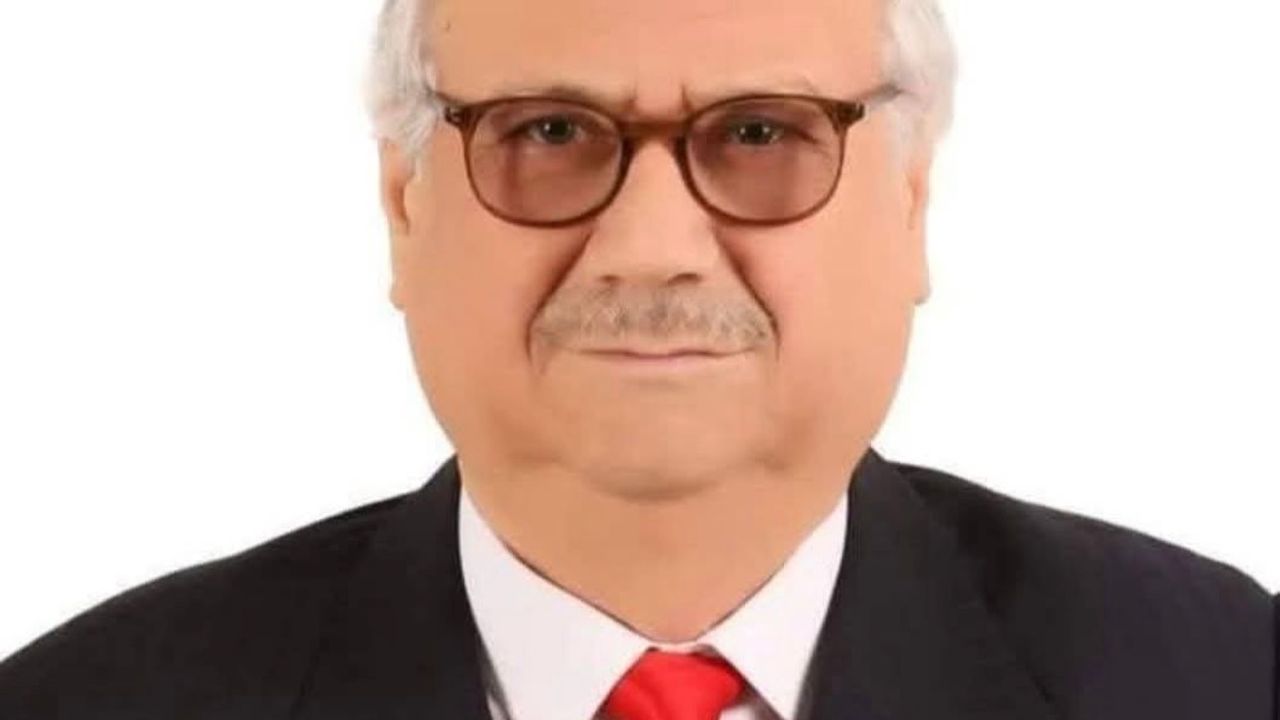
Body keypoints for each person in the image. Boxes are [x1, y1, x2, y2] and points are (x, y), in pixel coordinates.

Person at [1, 0, 1275, 717]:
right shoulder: (82, 705)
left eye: (762, 133)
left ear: (908, 202)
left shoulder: (1219, 680)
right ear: (402, 206)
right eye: (546, 133)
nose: (651, 250)